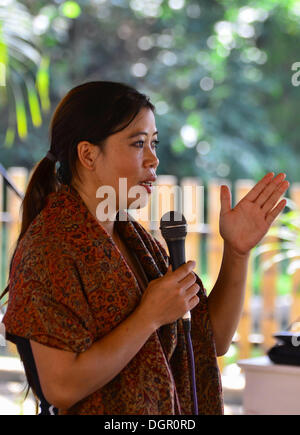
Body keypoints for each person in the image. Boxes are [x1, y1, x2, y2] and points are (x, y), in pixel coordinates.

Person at [0, 81, 289, 415]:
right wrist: (147, 317)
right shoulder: (49, 248)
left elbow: (213, 341)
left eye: (154, 143)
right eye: (138, 144)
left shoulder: (138, 241)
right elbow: (61, 387)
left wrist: (237, 252)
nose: (154, 159)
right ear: (88, 154)